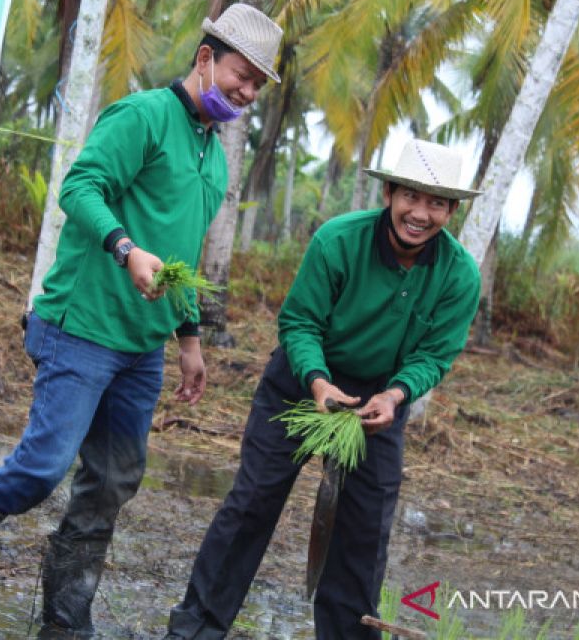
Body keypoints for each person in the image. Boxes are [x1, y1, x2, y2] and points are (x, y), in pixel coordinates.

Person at [0, 3, 284, 635]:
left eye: (257, 87)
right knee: (44, 466)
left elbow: (181, 259)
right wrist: (125, 250)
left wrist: (189, 340)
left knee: (111, 482)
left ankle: (66, 616)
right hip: (81, 326)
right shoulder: (143, 117)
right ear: (207, 58)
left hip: (140, 348)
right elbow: (79, 189)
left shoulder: (214, 156)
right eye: (242, 76)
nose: (246, 93)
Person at [165, 139, 483, 639]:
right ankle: (194, 630)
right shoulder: (338, 240)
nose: (420, 214)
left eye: (437, 203)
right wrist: (318, 382)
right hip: (302, 380)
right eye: (411, 198)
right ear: (389, 193)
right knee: (253, 503)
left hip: (378, 399)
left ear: (452, 210)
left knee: (364, 531)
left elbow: (435, 354)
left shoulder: (459, 273)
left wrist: (396, 396)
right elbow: (300, 323)